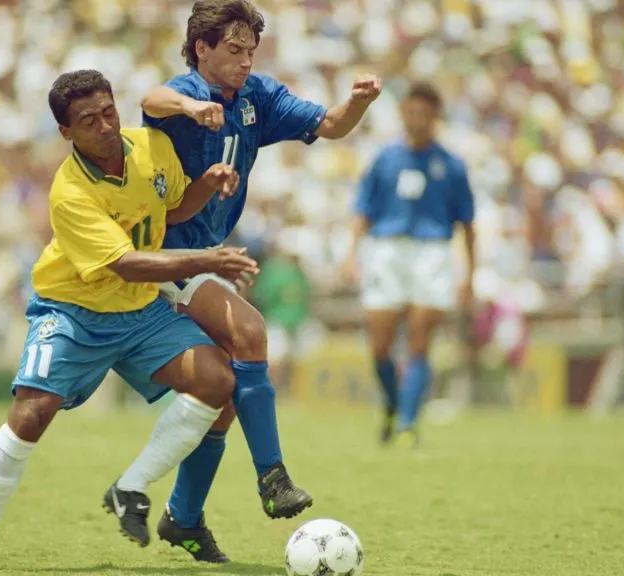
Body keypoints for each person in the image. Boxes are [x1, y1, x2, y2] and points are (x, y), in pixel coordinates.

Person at [0, 69, 254, 571]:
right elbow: (124, 262)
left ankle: (130, 486)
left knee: (217, 380)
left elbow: (172, 209)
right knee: (30, 415)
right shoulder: (68, 192)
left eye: (109, 111)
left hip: (138, 310)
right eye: (89, 120)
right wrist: (206, 259)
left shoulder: (152, 144)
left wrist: (206, 185)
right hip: (75, 312)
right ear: (66, 132)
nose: (106, 125)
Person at [138, 0, 382, 562]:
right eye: (233, 50)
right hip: (168, 256)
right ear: (202, 48)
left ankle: (183, 517)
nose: (246, 60)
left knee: (222, 394)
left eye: (252, 50)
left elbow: (330, 125)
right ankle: (272, 477)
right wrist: (190, 108)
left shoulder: (259, 98)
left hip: (209, 259)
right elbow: (149, 100)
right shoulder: (180, 93)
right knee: (250, 333)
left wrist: (357, 103)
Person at [342, 83, 476, 447]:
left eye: (423, 113)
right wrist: (352, 254)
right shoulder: (384, 159)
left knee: (419, 343)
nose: (415, 119)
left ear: (435, 117)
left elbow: (468, 223)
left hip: (432, 252)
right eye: (410, 111)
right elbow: (362, 211)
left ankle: (407, 423)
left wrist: (470, 276)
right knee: (380, 346)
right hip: (386, 249)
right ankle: (392, 403)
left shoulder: (451, 165)